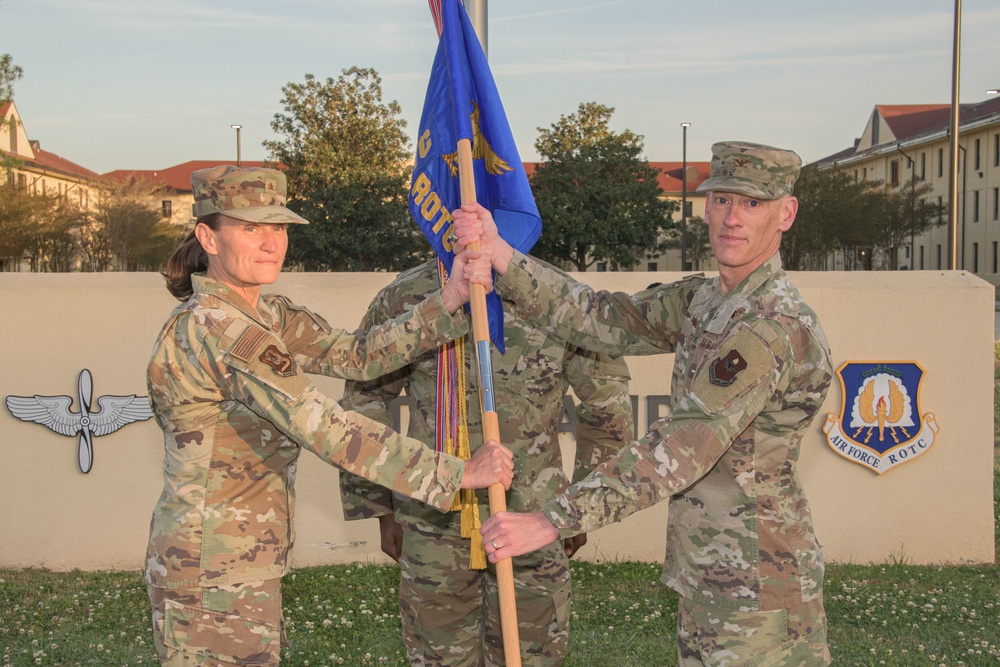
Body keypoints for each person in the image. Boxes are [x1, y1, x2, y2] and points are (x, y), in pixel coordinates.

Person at [456, 142, 834, 666]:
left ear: (785, 214)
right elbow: (603, 317)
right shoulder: (706, 300)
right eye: (722, 200)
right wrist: (502, 257)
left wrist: (551, 520)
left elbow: (684, 444)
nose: (732, 218)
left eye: (752, 204)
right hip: (709, 572)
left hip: (758, 588)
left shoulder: (770, 327)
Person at [144, 165, 513, 667]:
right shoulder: (221, 328)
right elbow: (327, 429)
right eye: (250, 228)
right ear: (207, 237)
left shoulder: (264, 315)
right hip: (213, 571)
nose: (270, 242)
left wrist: (446, 302)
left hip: (239, 563)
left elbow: (359, 355)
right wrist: (459, 474)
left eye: (277, 228)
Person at [338, 257, 634, 666]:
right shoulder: (408, 296)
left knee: (531, 655)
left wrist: (579, 509)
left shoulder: (558, 298)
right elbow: (363, 398)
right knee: (438, 656)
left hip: (532, 520)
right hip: (433, 519)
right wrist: (380, 506)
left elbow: (607, 406)